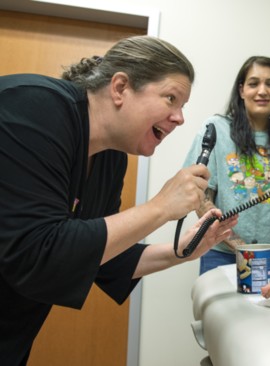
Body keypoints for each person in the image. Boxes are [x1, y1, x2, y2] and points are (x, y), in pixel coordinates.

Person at [0, 35, 237, 366]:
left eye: (182, 106)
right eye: (171, 98)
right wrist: (160, 207)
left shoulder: (110, 157)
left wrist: (184, 249)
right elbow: (39, 252)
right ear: (120, 88)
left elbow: (104, 259)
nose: (180, 118)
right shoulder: (32, 106)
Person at [183, 56, 270, 274]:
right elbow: (200, 198)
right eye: (254, 83)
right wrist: (244, 248)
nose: (262, 91)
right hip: (222, 255)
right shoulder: (216, 130)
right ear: (241, 91)